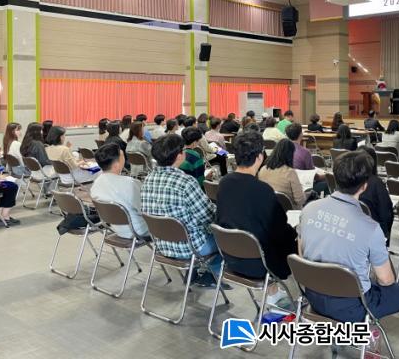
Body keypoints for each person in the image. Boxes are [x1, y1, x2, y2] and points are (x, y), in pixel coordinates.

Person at [300, 150, 399, 359]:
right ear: (365, 185)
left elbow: (302, 253)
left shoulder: (309, 209)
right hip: (353, 307)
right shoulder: (370, 228)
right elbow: (386, 280)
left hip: (313, 297)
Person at [215, 131, 297, 307]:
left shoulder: (224, 183)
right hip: (260, 264)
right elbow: (279, 231)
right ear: (260, 157)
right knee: (290, 238)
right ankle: (279, 293)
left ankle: (273, 291)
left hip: (230, 258)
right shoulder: (263, 190)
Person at [141, 134, 220, 287]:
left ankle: (193, 272)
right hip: (190, 248)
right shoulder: (186, 182)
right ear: (179, 156)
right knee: (227, 240)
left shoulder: (147, 180)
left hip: (161, 245)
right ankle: (211, 275)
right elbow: (209, 215)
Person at [90, 143, 149, 240]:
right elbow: (145, 210)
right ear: (116, 165)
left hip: (116, 229)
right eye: (123, 156)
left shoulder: (95, 184)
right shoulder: (130, 183)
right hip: (139, 230)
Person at [360, 146, 394, 245]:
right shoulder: (376, 183)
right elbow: (387, 214)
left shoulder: (347, 180)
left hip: (351, 229)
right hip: (373, 232)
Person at [259, 139, 306, 208]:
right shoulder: (290, 173)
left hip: (268, 209)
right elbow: (300, 200)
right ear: (290, 154)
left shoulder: (263, 169)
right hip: (289, 211)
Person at [286, 123, 329, 196]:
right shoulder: (305, 152)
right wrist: (327, 175)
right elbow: (313, 176)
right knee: (327, 182)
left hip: (288, 183)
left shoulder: (283, 150)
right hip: (302, 186)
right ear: (301, 134)